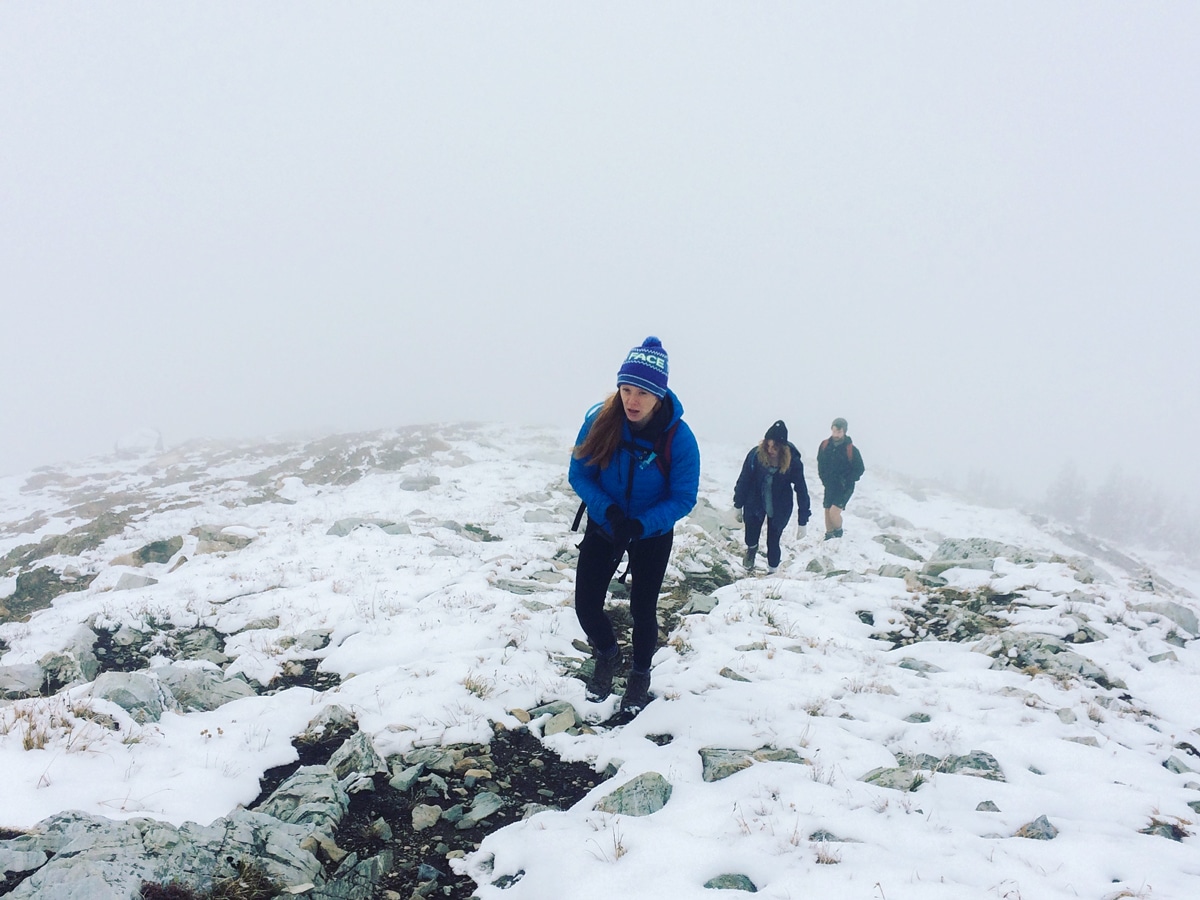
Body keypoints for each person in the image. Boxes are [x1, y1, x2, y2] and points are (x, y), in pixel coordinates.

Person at [568, 336, 700, 713]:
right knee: (585, 605)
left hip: (651, 534)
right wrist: (608, 511)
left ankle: (640, 676)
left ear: (659, 395)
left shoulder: (679, 438)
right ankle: (607, 653)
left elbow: (684, 496)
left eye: (642, 392)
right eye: (626, 389)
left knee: (644, 609)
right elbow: (579, 472)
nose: (632, 400)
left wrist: (640, 525)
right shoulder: (600, 420)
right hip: (604, 523)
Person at [732, 420, 811, 573]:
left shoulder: (793, 462)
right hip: (755, 500)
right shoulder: (755, 455)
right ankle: (751, 550)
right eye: (767, 445)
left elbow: (801, 489)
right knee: (751, 533)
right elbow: (744, 479)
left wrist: (803, 520)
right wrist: (738, 504)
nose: (770, 450)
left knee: (773, 540)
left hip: (780, 504)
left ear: (782, 447)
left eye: (774, 447)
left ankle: (772, 571)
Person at [817, 417, 865, 540]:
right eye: (834, 431)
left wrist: (847, 480)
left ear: (844, 432)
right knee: (827, 509)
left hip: (845, 486)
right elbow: (820, 463)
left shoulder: (851, 450)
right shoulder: (824, 446)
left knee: (834, 512)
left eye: (839, 432)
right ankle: (829, 535)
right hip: (829, 484)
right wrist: (824, 479)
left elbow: (859, 469)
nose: (836, 434)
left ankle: (838, 532)